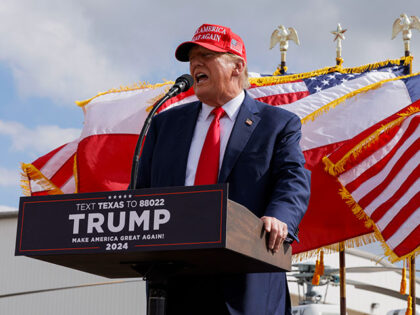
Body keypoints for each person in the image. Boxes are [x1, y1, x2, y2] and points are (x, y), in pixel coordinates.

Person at [136, 23, 311, 315]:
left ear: (237, 66)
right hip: (175, 279)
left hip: (246, 278)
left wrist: (279, 217)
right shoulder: (164, 124)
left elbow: (292, 180)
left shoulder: (277, 124)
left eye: (207, 55)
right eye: (192, 58)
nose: (195, 64)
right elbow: (143, 192)